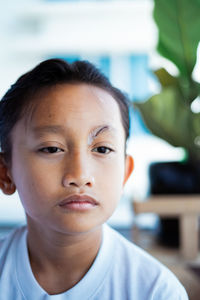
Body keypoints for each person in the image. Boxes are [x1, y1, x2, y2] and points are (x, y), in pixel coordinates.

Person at [0, 58, 188, 299]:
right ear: (6, 173)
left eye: (102, 149)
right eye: (51, 148)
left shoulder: (156, 291)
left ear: (125, 172)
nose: (80, 176)